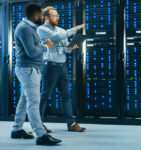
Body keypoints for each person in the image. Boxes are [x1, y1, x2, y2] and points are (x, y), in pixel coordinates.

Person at [10, 2, 62, 145]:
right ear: (35, 16)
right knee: (33, 102)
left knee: (25, 100)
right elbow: (32, 52)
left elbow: (32, 48)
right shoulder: (25, 29)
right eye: (41, 15)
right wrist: (45, 46)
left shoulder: (29, 27)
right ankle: (41, 135)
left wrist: (42, 46)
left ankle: (16, 129)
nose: (42, 17)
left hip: (30, 69)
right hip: (28, 70)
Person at [37, 6, 86, 132]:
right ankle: (39, 124)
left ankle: (71, 124)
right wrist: (75, 29)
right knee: (44, 96)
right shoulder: (41, 29)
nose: (57, 17)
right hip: (50, 67)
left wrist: (70, 48)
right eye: (54, 15)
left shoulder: (61, 30)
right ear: (46, 17)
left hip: (62, 67)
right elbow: (56, 37)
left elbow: (64, 49)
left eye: (58, 15)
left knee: (66, 96)